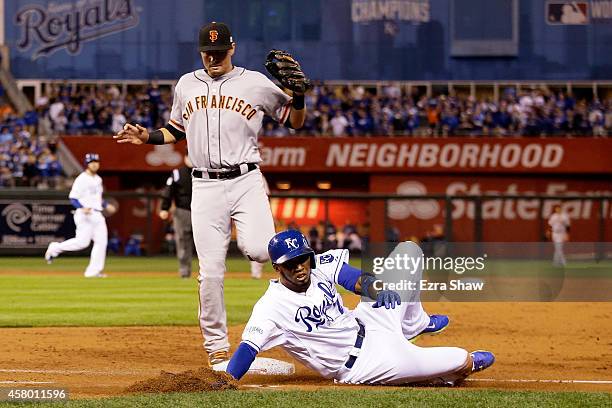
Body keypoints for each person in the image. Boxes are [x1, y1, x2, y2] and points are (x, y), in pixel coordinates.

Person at [114, 22, 309, 366]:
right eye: (207, 53)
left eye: (219, 53)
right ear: (200, 52)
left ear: (232, 48)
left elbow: (294, 121)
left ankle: (316, 278)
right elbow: (175, 129)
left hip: (246, 180)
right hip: (204, 185)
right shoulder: (187, 84)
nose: (212, 58)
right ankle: (217, 349)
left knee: (262, 251)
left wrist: (300, 96)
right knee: (211, 272)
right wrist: (147, 137)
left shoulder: (255, 83)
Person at [223, 230, 495, 385]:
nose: (299, 266)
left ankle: (414, 323)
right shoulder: (270, 308)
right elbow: (248, 348)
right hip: (365, 364)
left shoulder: (320, 266)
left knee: (409, 252)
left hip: (370, 322)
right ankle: (445, 373)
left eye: (302, 258)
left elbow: (354, 279)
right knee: (462, 358)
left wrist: (377, 289)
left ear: (309, 255)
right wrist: (225, 382)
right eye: (289, 263)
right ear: (276, 267)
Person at [45, 153, 115, 278]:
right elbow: (73, 198)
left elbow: (97, 198)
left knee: (101, 242)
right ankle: (55, 248)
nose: (94, 164)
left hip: (97, 214)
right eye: (91, 162)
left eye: (96, 161)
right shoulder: (81, 179)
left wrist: (106, 205)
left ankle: (93, 271)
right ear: (86, 164)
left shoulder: (98, 179)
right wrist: (82, 208)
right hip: (84, 214)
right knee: (82, 243)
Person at [159, 153, 196, 278]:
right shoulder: (177, 173)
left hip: (201, 211)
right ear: (185, 158)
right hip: (182, 210)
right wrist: (165, 207)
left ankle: (208, 273)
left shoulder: (204, 172)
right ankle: (185, 272)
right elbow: (169, 190)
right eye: (189, 156)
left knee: (205, 244)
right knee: (182, 242)